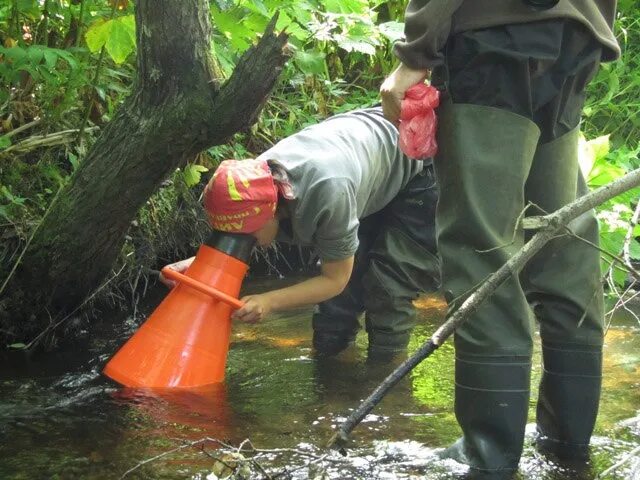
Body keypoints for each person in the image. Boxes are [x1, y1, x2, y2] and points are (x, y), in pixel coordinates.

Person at [380, 1, 620, 478]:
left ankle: (487, 457)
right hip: (578, 38)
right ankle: (567, 446)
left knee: (481, 246)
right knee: (563, 242)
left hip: (493, 37)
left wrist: (416, 53)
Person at [162, 106, 440, 358]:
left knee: (388, 288)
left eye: (246, 233)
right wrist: (202, 264)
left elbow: (335, 279)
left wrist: (268, 301)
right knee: (336, 309)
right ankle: (333, 375)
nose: (242, 239)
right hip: (366, 168)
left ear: (272, 209)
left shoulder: (328, 193)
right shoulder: (250, 185)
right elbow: (242, 229)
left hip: (416, 157)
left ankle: (387, 386)